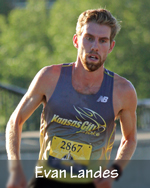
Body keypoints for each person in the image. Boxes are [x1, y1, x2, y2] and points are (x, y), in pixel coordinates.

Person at [6, 8, 137, 188]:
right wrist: (15, 168)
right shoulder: (49, 77)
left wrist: (112, 173)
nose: (95, 46)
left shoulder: (123, 91)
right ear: (76, 40)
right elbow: (15, 120)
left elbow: (130, 138)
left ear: (111, 46)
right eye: (89, 38)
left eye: (103, 40)